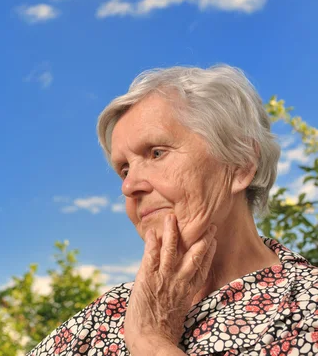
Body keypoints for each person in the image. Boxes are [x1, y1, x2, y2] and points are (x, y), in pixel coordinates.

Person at [26, 65, 318, 356]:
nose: (128, 187)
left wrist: (150, 341)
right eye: (124, 169)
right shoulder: (107, 314)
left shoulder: (307, 304)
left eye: (156, 153)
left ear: (240, 164)